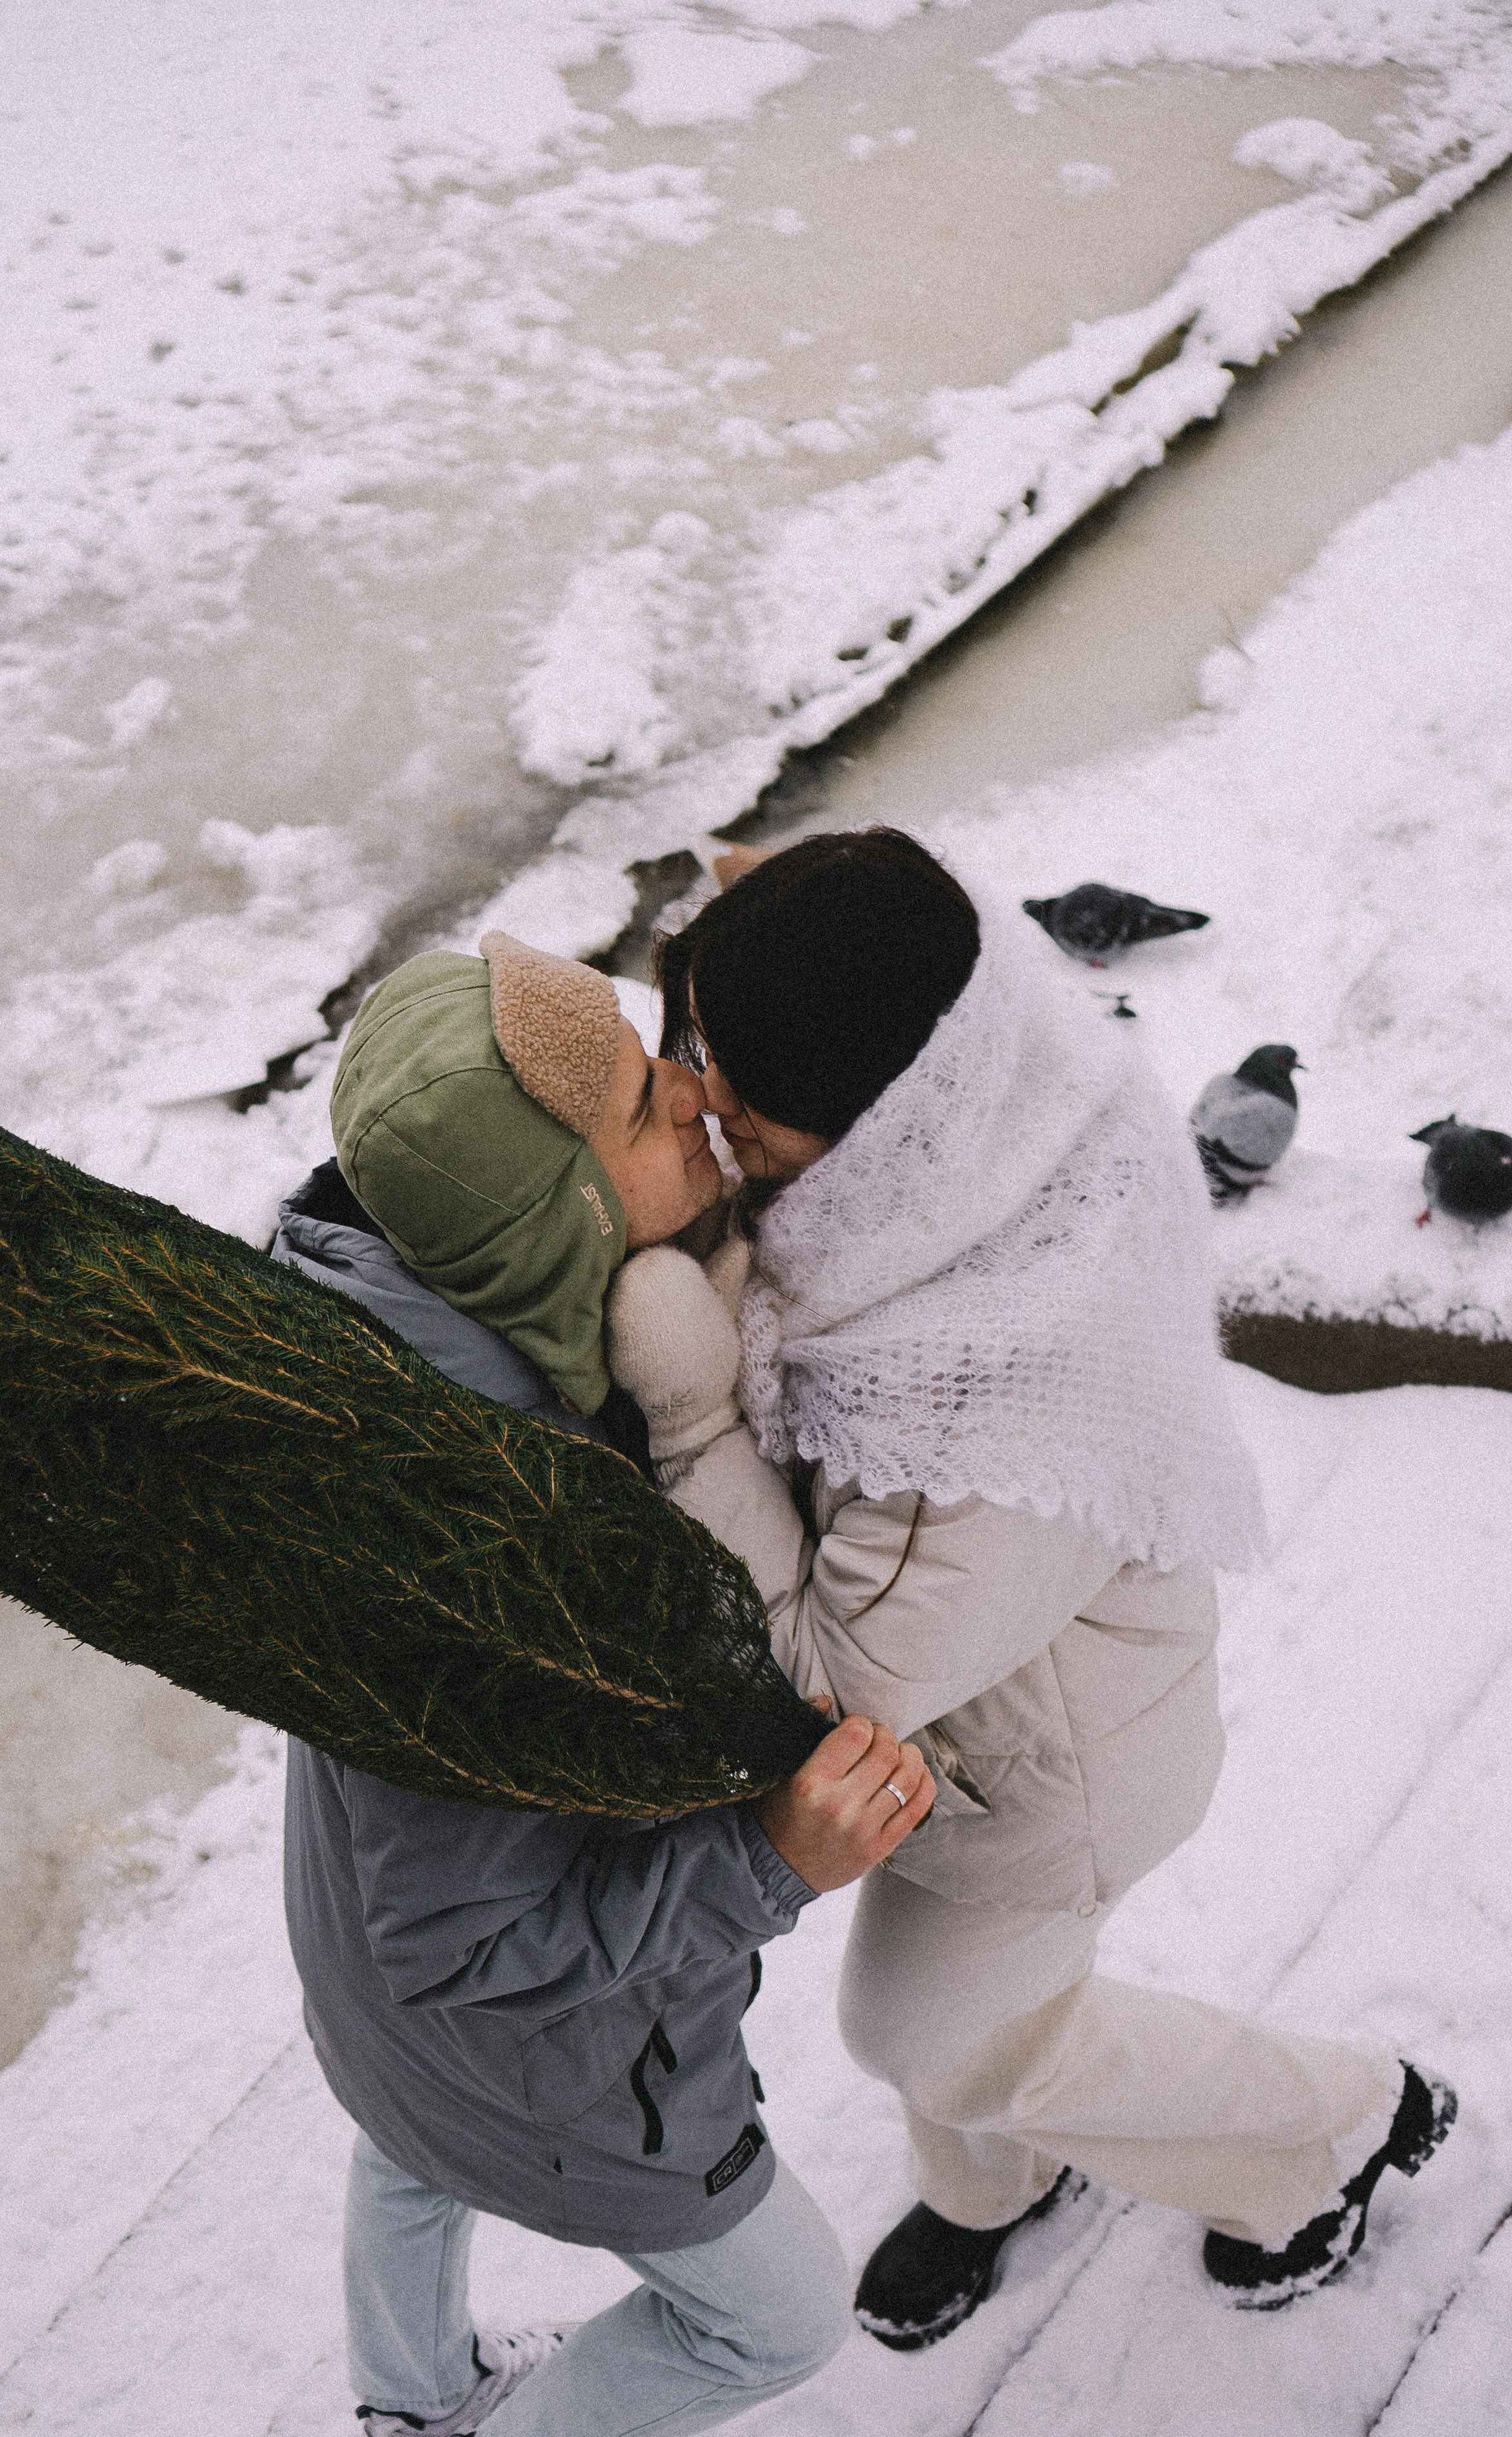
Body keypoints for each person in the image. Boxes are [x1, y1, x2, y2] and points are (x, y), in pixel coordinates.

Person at [605, 827, 1455, 2339]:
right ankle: (993, 2190)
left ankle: (1335, 2127)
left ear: (885, 1125)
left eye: (748, 1109)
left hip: (1045, 1779)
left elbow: (840, 1672)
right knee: (975, 2035)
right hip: (998, 1716)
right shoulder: (997, 1112)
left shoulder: (974, 1397)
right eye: (696, 1064)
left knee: (928, 2031)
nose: (702, 1114)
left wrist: (685, 1413)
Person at [272, 930, 937, 2437]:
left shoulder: (369, 1344)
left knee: (407, 2144)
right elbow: (467, 1945)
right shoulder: (499, 1544)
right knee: (774, 2322)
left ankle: (405, 2400)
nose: (701, 1092)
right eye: (648, 1105)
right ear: (555, 1218)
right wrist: (773, 1858)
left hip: (371, 2014)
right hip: (545, 2059)